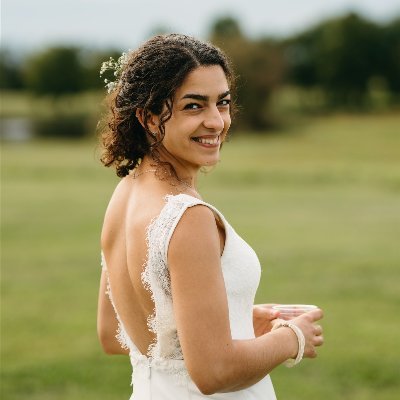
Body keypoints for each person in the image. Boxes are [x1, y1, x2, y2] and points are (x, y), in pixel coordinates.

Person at [97, 34, 324, 399]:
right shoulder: (188, 217)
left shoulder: (124, 195)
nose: (216, 122)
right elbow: (214, 372)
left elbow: (113, 334)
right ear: (148, 117)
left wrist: (237, 320)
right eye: (193, 106)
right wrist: (292, 337)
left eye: (223, 103)